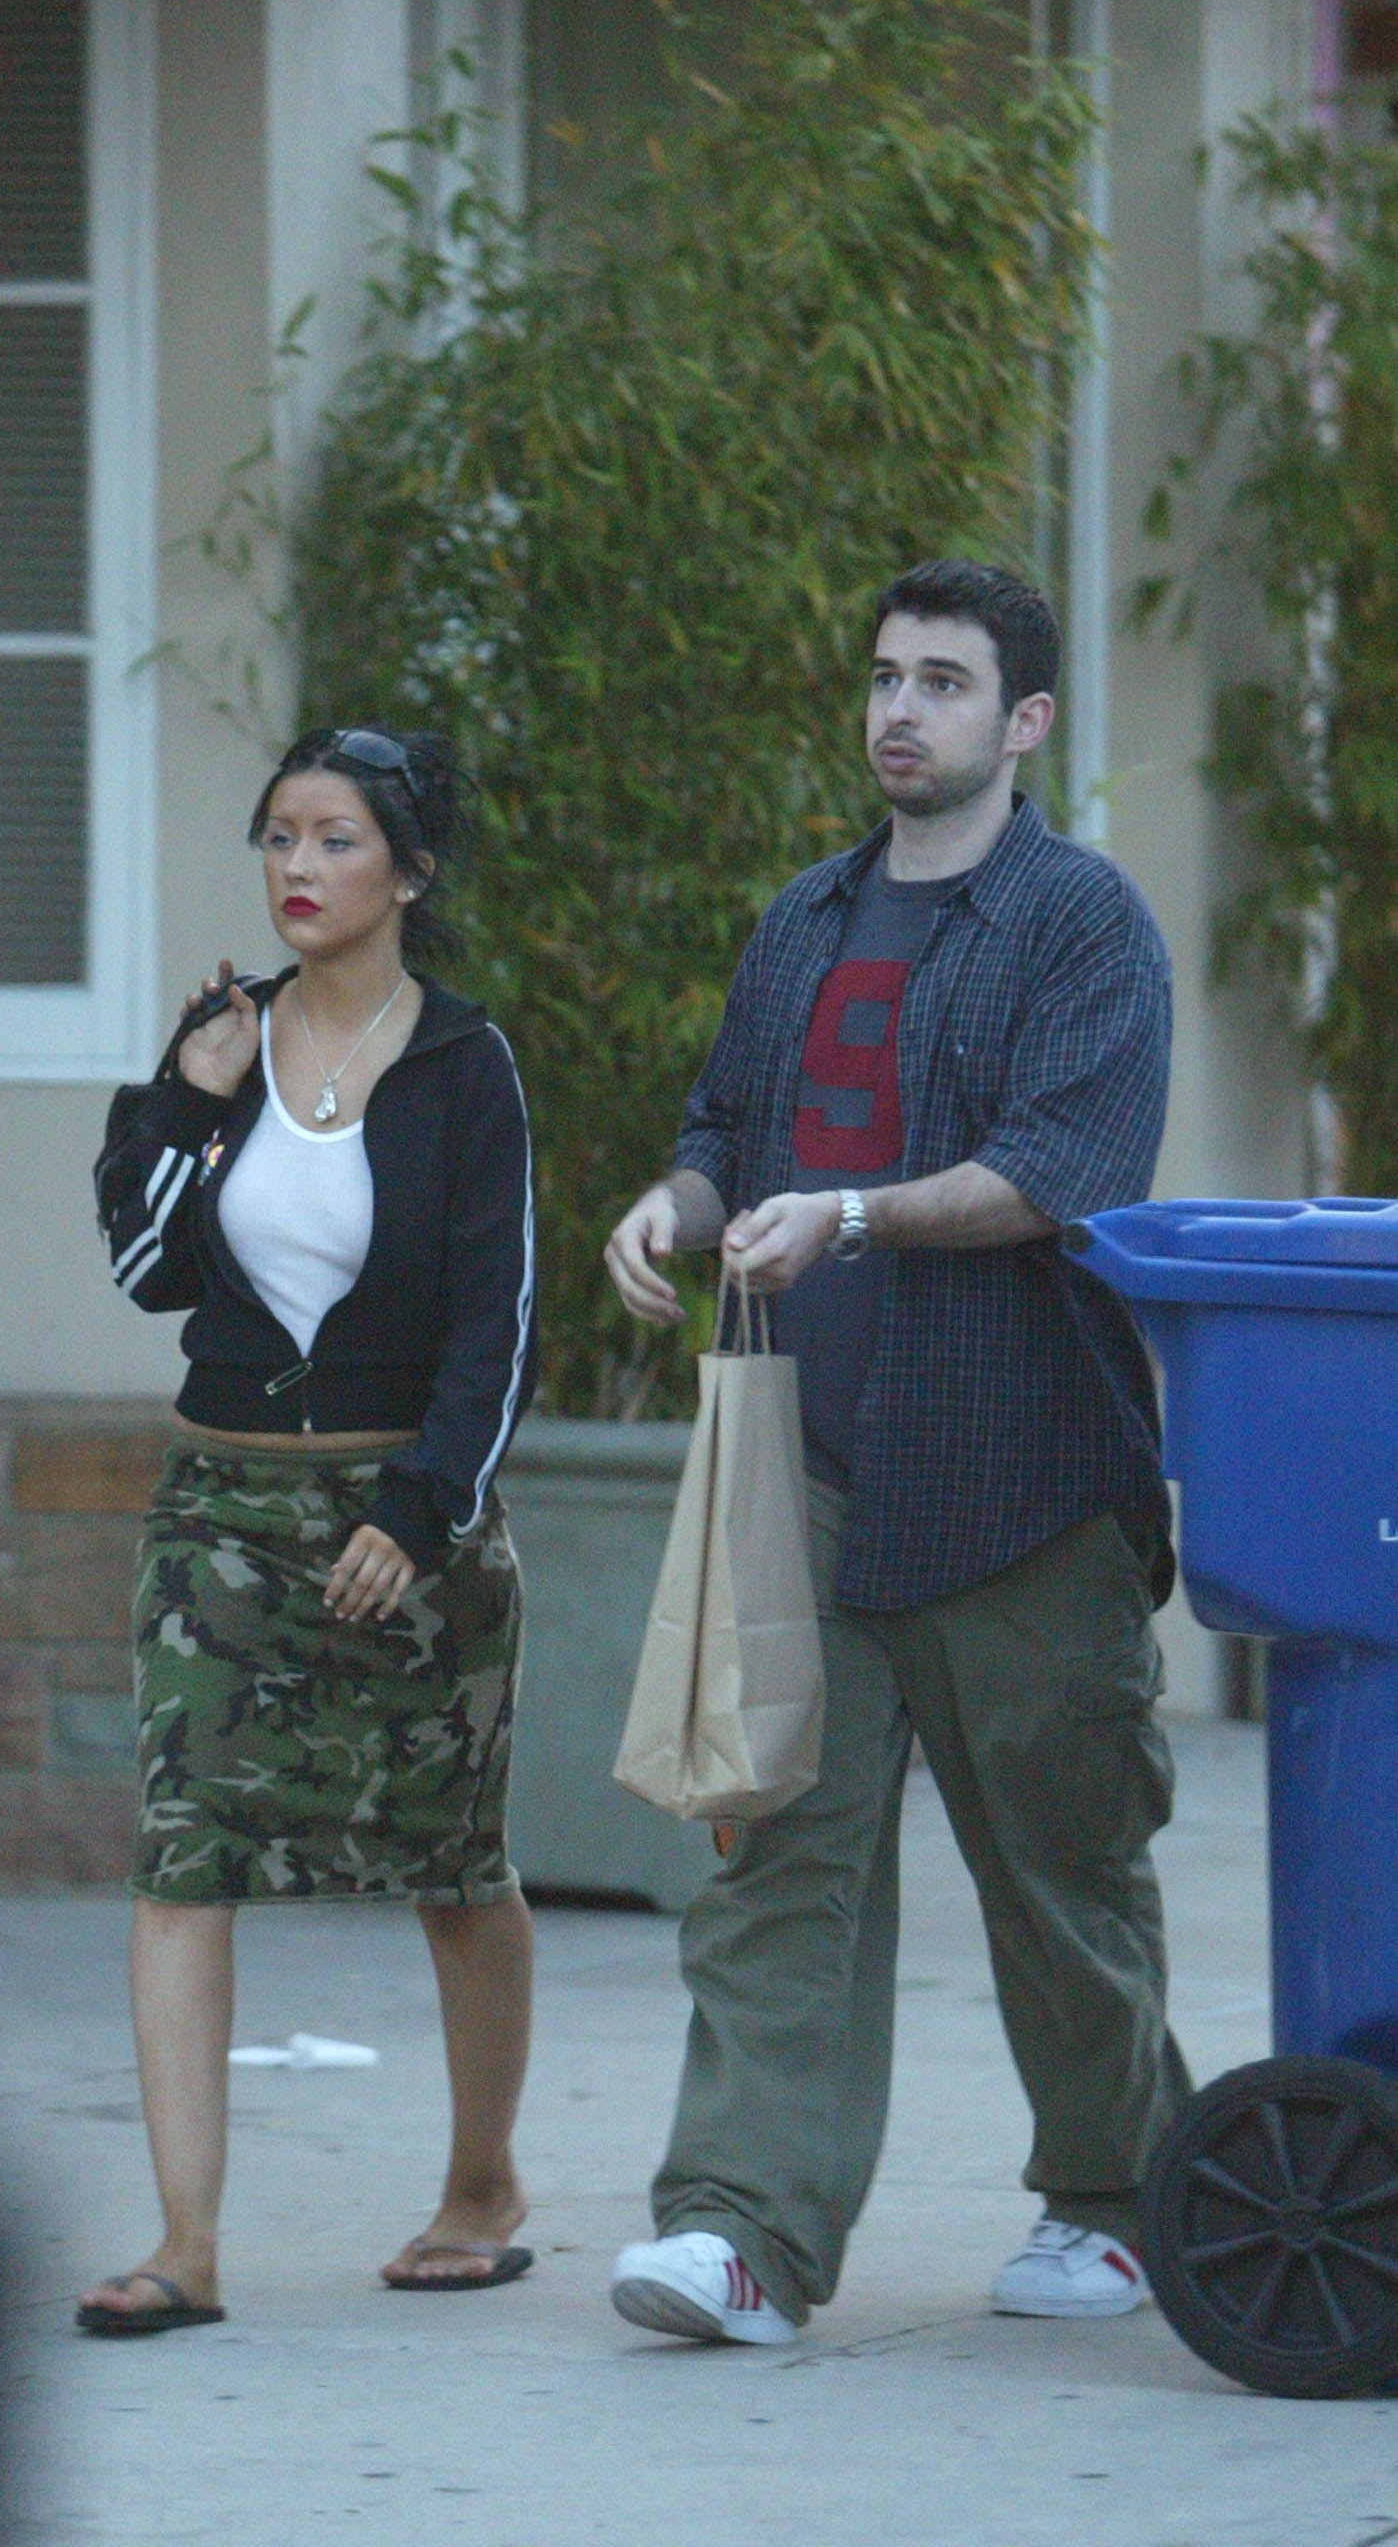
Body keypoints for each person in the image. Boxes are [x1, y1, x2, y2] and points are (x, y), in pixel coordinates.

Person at [602, 559, 1190, 2346]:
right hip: (807, 1464)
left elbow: (1059, 1170)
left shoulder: (1082, 923)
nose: (898, 711)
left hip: (1022, 1476)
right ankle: (741, 2234)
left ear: (1023, 722)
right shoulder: (804, 916)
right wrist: (675, 1201)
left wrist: (849, 1214)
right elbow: (727, 1124)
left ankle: (1114, 2205)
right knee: (778, 1859)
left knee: (1062, 1873)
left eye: (941, 682)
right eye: (881, 677)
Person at [78, 726, 537, 2334]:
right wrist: (184, 1102)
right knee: (181, 1857)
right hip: (221, 1515)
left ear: (408, 871)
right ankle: (184, 2245)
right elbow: (145, 1274)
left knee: (454, 1868)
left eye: (335, 839)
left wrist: (421, 1509)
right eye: (279, 836)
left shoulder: (464, 1065)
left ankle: (481, 2186)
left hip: (404, 1513)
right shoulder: (221, 1038)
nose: (297, 867)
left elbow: (496, 1323)